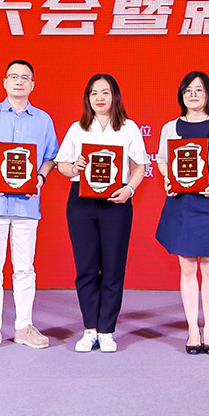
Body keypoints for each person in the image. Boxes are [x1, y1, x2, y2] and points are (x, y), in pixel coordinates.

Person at [0, 60, 59, 353]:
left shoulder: (43, 120)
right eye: (14, 77)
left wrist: (41, 177)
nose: (19, 82)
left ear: (33, 85)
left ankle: (24, 327)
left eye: (25, 77)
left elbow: (51, 157)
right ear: (4, 82)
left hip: (27, 206)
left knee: (25, 269)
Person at [56, 74, 147, 353]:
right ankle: (89, 329)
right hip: (82, 202)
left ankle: (106, 330)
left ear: (114, 96)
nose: (99, 98)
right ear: (88, 98)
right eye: (94, 93)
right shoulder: (78, 128)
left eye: (105, 92)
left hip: (116, 202)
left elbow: (139, 166)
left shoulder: (129, 127)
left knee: (112, 267)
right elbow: (62, 165)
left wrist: (129, 190)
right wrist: (75, 167)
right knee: (85, 267)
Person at [155, 71, 209, 355]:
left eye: (199, 90)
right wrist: (168, 179)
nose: (193, 94)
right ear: (181, 95)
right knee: (187, 267)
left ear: (208, 94)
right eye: (188, 90)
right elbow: (163, 161)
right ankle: (192, 329)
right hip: (183, 203)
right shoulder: (170, 127)